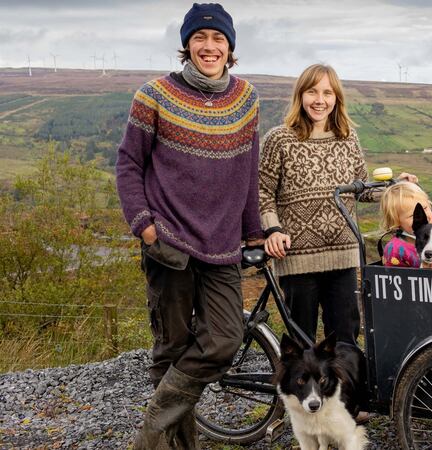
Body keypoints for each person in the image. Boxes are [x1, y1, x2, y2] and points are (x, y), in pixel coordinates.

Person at [115, 4, 262, 448]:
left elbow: (248, 172)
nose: (210, 46)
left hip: (222, 246)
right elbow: (127, 163)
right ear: (187, 45)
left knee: (224, 339)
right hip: (169, 243)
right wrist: (144, 226)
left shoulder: (247, 100)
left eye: (219, 39)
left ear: (230, 47)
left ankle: (153, 424)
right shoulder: (154, 95)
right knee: (172, 350)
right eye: (200, 38)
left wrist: (253, 232)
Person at [259, 63, 416, 346]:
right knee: (302, 341)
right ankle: (296, 392)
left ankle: (344, 392)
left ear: (337, 98)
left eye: (327, 93)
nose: (320, 100)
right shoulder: (279, 139)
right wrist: (272, 230)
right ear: (300, 96)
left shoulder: (348, 138)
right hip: (296, 257)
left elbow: (362, 190)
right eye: (312, 92)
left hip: (343, 255)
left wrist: (396, 187)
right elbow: (262, 192)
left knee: (345, 339)